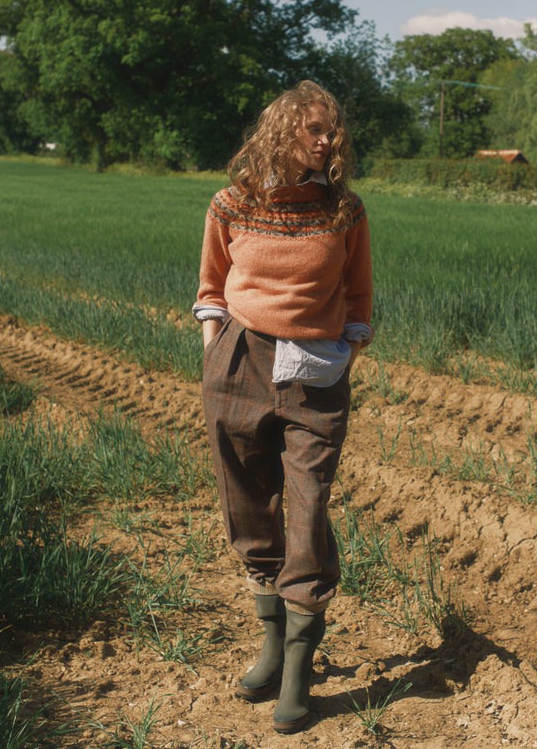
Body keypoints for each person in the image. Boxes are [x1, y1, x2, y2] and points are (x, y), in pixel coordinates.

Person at [193, 80, 373, 734]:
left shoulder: (344, 211)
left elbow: (358, 300)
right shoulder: (232, 201)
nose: (327, 140)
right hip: (241, 359)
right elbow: (211, 285)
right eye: (314, 130)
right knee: (247, 502)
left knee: (308, 504)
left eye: (332, 130)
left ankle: (299, 666)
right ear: (282, 131)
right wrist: (216, 354)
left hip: (314, 373)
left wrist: (340, 354)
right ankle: (271, 645)